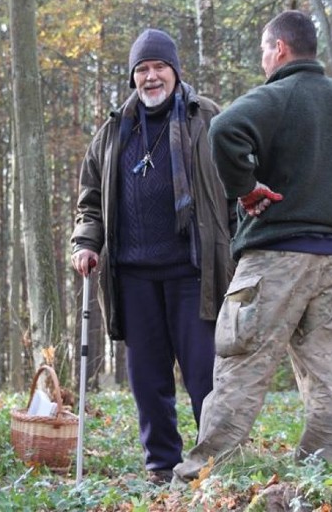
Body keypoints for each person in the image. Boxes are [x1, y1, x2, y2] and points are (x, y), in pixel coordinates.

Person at [173, 10, 332, 482]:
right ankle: (327, 475)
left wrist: (246, 189)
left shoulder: (277, 95)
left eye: (263, 50)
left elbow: (225, 129)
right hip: (330, 263)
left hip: (273, 258)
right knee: (326, 376)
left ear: (279, 49)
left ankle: (202, 476)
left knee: (241, 366)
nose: (263, 59)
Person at [70, 29, 235, 484]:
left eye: (159, 66)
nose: (150, 76)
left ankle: (213, 461)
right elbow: (89, 201)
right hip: (134, 274)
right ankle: (162, 464)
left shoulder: (209, 120)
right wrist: (87, 242)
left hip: (193, 271)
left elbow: (236, 190)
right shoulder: (111, 132)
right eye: (141, 69)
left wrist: (239, 246)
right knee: (147, 380)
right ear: (133, 78)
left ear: (176, 72)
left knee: (204, 374)